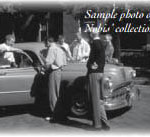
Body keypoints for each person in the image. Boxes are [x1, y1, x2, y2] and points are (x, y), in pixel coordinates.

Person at [86, 31, 110, 130]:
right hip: (101, 72)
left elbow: (91, 59)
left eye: (89, 34)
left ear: (92, 35)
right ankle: (105, 123)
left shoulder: (94, 44)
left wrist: (90, 64)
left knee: (95, 100)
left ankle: (97, 125)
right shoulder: (101, 43)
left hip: (94, 73)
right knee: (100, 100)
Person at [45, 40, 66, 121]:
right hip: (59, 71)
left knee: (52, 94)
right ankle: (59, 114)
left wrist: (44, 68)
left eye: (45, 43)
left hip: (53, 71)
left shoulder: (51, 49)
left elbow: (48, 62)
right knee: (57, 93)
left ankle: (54, 115)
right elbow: (64, 62)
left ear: (48, 42)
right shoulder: (60, 48)